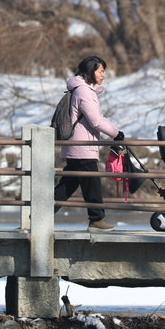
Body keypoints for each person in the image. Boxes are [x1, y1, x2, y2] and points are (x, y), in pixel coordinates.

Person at [55, 56, 123, 232]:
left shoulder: (82, 90)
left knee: (67, 185)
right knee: (92, 183)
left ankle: (38, 214)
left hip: (77, 146)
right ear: (90, 71)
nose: (103, 75)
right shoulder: (84, 92)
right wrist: (116, 134)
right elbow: (95, 120)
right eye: (100, 71)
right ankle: (96, 220)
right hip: (82, 147)